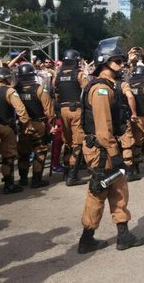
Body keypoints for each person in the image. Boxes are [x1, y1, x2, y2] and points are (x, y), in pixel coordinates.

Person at [78, 40, 144, 254]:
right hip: (102, 149)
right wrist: (115, 155)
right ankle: (87, 238)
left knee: (118, 190)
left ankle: (123, 235)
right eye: (117, 61)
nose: (121, 64)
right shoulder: (101, 90)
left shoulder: (108, 86)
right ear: (104, 63)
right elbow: (103, 129)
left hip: (106, 147)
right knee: (98, 191)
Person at [0, 67, 34, 194]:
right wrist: (26, 124)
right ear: (3, 78)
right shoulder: (9, 91)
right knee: (8, 157)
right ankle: (9, 184)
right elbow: (20, 109)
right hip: (6, 128)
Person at [14, 63, 55, 188]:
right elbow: (49, 111)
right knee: (40, 151)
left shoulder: (15, 90)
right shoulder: (39, 89)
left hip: (22, 125)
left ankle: (23, 179)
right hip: (38, 124)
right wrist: (51, 125)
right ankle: (36, 180)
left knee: (23, 152)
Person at [54, 49, 88, 186]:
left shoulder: (58, 76)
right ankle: (72, 176)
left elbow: (55, 95)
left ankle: (66, 171)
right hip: (76, 110)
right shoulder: (79, 74)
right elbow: (86, 92)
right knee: (77, 142)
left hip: (62, 110)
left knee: (67, 141)